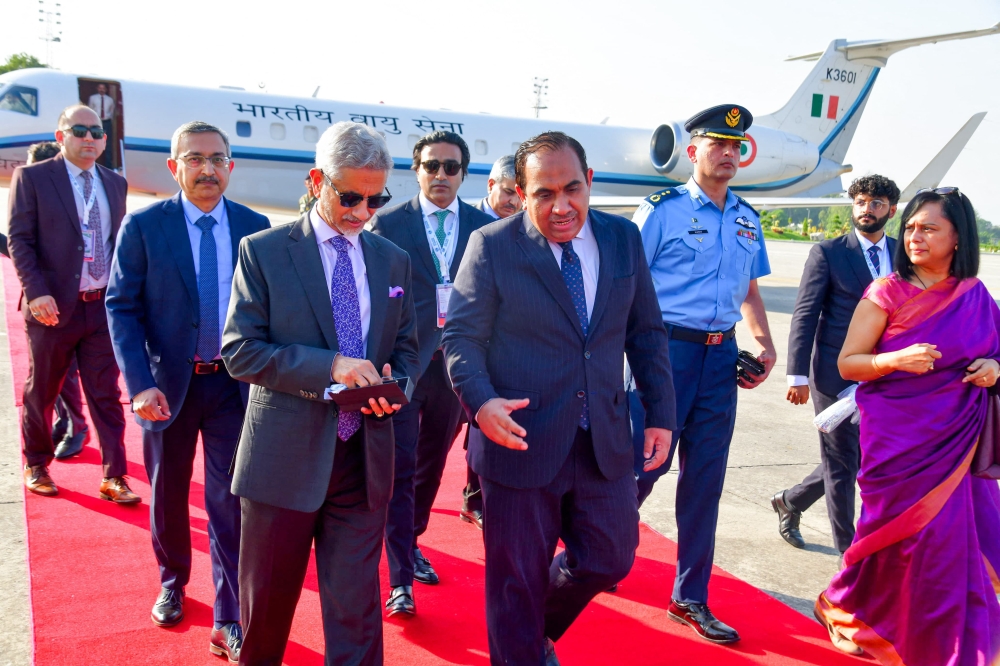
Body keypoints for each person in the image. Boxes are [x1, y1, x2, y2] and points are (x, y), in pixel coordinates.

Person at [442, 131, 676, 665]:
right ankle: (520, 648)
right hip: (520, 438)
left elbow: (646, 332)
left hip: (604, 439)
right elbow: (460, 338)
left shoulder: (622, 240)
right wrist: (480, 403)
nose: (561, 205)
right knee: (515, 580)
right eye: (543, 193)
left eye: (572, 188)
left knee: (610, 558)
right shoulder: (493, 246)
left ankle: (526, 635)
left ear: (590, 182)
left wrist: (661, 414)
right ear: (520, 193)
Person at [222, 121, 419, 665]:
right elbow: (240, 352)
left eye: (375, 198)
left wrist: (392, 387)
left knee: (357, 615)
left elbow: (407, 350)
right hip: (282, 463)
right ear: (316, 180)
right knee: (266, 617)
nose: (362, 211)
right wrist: (331, 366)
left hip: (363, 460)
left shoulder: (391, 259)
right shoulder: (263, 251)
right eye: (349, 195)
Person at [106, 121, 270, 659]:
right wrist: (140, 383)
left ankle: (228, 615)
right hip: (166, 388)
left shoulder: (255, 227)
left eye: (217, 158)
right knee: (168, 493)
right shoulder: (145, 226)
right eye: (195, 159)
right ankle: (173, 581)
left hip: (231, 387)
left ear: (230, 166)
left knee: (229, 501)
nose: (207, 168)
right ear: (174, 167)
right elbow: (122, 307)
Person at [816, 188, 1000, 664]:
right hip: (897, 439)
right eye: (912, 227)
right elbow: (850, 363)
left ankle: (941, 634)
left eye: (929, 228)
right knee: (894, 536)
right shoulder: (886, 291)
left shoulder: (975, 295)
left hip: (957, 441)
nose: (914, 236)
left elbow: (997, 353)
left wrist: (994, 368)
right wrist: (894, 359)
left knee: (946, 542)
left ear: (958, 238)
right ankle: (853, 607)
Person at [627, 104, 775, 644]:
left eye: (736, 147)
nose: (728, 154)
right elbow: (629, 285)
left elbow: (751, 288)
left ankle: (690, 597)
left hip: (720, 358)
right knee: (641, 468)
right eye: (718, 144)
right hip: (665, 354)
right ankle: (593, 549)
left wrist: (763, 342)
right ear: (693, 151)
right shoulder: (661, 210)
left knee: (705, 479)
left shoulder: (746, 218)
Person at [369, 130, 493, 616]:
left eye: (451, 167)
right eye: (431, 166)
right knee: (399, 465)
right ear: (416, 170)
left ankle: (411, 538)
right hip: (402, 365)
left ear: (463, 174)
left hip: (456, 368)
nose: (441, 175)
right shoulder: (388, 224)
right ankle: (401, 579)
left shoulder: (485, 229)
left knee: (431, 463)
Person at [8, 104, 136, 502]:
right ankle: (37, 464)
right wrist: (35, 290)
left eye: (96, 132)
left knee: (106, 394)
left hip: (100, 308)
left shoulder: (115, 184)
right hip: (52, 308)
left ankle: (115, 475)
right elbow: (20, 240)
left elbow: (117, 245)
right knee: (43, 390)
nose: (89, 138)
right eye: (79, 130)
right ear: (60, 136)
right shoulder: (32, 178)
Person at [772, 175, 899, 555]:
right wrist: (797, 375)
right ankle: (851, 556)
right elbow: (806, 314)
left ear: (891, 210)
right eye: (860, 202)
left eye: (876, 203)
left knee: (859, 458)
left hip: (885, 374)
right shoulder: (828, 252)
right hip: (834, 375)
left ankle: (791, 500)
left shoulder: (903, 252)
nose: (866, 209)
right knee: (842, 463)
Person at [1, 141, 90, 458]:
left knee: (61, 376)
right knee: (50, 375)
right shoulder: (37, 195)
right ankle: (67, 423)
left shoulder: (65, 203)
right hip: (43, 307)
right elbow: (20, 242)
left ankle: (76, 425)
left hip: (66, 306)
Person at [474, 154, 521, 220]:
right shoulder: (463, 220)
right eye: (509, 192)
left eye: (521, 196)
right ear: (491, 185)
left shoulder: (528, 227)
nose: (514, 202)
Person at [87, 84, 115, 169]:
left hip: (106, 122)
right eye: (100, 88)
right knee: (94, 142)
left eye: (103, 88)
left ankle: (108, 166)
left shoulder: (110, 100)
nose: (101, 90)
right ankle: (92, 164)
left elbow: (112, 112)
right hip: (96, 122)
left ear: (106, 89)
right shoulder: (93, 98)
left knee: (107, 144)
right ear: (97, 89)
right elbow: (90, 110)